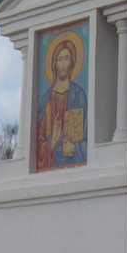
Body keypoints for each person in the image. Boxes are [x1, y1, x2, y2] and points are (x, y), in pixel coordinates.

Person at [36, 38, 88, 170]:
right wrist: (52, 142)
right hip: (52, 158)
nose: (64, 64)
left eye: (67, 59)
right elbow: (39, 141)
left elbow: (88, 133)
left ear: (72, 63)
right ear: (55, 65)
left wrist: (75, 147)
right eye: (60, 59)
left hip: (72, 158)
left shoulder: (79, 94)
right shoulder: (46, 99)